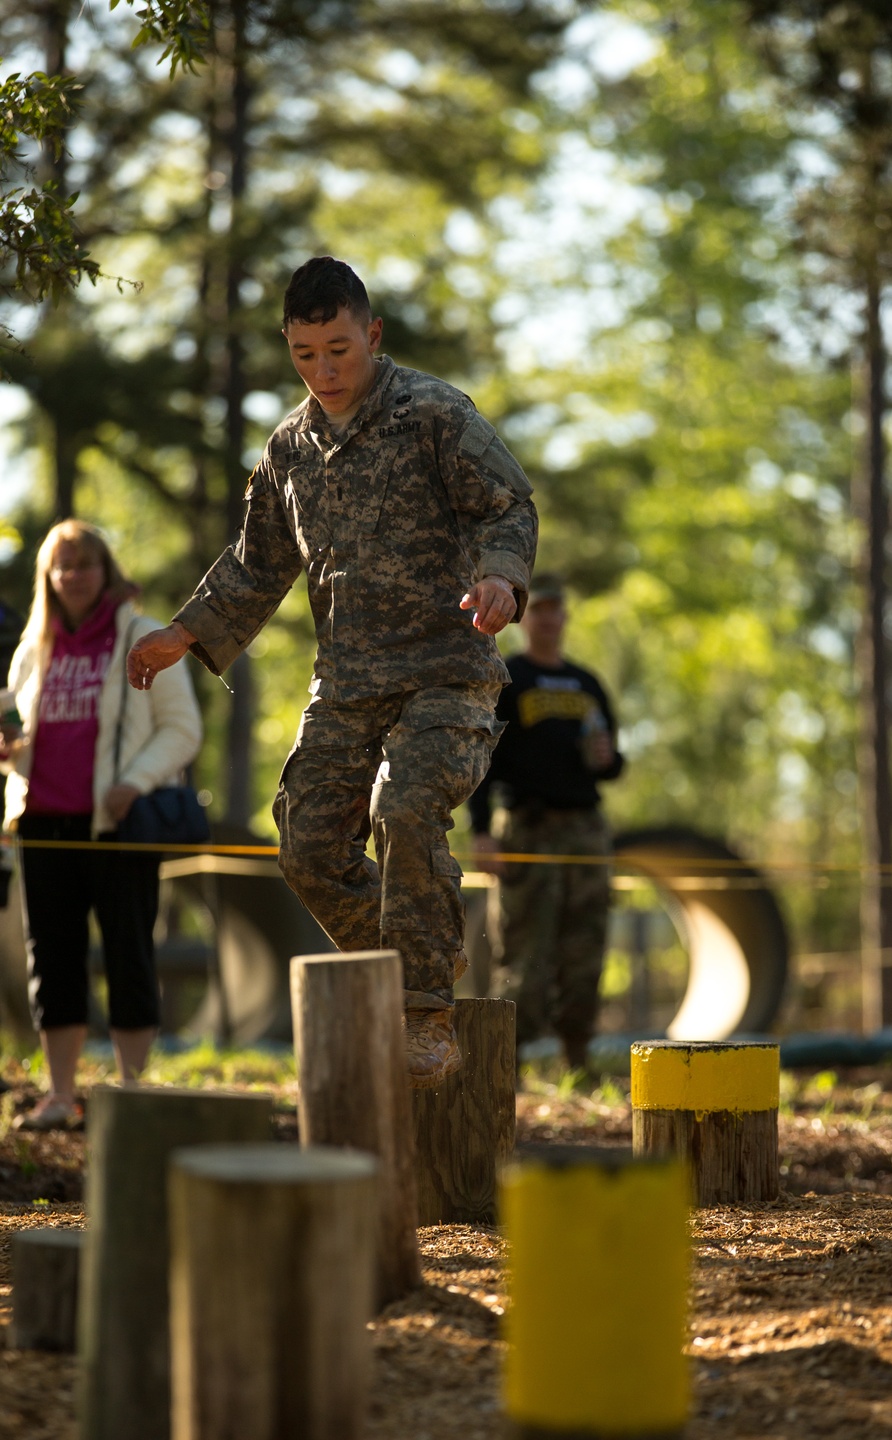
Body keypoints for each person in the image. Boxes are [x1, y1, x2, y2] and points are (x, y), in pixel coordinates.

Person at [126, 255, 536, 1088]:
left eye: (340, 349)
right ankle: (407, 954)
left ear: (372, 335)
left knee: (407, 806)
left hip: (445, 672)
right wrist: (185, 631)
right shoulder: (289, 449)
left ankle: (424, 1011)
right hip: (348, 683)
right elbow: (255, 563)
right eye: (306, 354)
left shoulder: (434, 414)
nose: (326, 370)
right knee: (306, 844)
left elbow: (507, 504)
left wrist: (501, 578)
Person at [0, 521, 202, 1129]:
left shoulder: (143, 635)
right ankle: (60, 1095)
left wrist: (132, 783)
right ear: (48, 577)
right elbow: (20, 730)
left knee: (128, 955)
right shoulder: (34, 646)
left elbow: (182, 728)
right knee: (52, 961)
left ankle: (131, 1094)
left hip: (119, 826)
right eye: (62, 567)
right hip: (43, 825)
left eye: (85, 564)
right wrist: (12, 750)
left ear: (106, 570)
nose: (74, 576)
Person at [469, 573, 624, 1070]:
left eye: (556, 609)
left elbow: (613, 764)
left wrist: (607, 758)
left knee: (585, 951)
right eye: (538, 609)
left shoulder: (587, 683)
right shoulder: (507, 678)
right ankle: (501, 1069)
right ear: (523, 618)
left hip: (585, 831)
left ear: (565, 617)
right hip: (527, 829)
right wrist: (481, 831)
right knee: (523, 956)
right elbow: (482, 762)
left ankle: (576, 1061)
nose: (548, 618)